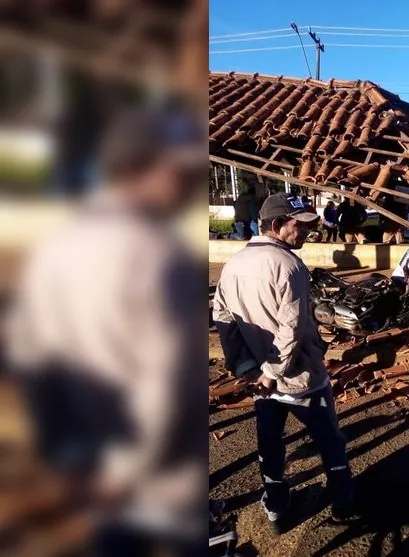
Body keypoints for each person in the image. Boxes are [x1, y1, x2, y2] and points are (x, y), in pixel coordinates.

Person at [5, 107, 206, 556]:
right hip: (157, 472)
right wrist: (126, 472)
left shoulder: (58, 242)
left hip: (86, 457)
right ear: (145, 169)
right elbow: (166, 380)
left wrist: (62, 451)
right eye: (181, 171)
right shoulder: (158, 255)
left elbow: (28, 351)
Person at [212, 193, 357, 534]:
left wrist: (246, 367)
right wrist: (272, 371)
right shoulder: (289, 266)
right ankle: (343, 499)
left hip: (260, 382)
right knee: (329, 440)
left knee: (270, 443)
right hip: (300, 378)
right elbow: (290, 329)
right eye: (301, 225)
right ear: (277, 225)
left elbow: (222, 316)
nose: (309, 231)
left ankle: (276, 508)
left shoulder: (232, 265)